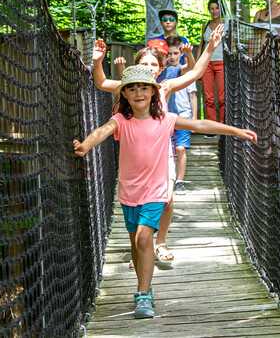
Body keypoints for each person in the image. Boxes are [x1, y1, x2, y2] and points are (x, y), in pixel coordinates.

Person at [74, 64, 257, 319]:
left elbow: (201, 124)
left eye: (144, 87)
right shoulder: (121, 120)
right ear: (125, 94)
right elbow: (102, 132)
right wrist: (84, 145)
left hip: (156, 192)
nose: (139, 92)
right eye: (132, 88)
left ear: (153, 91)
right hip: (129, 192)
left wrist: (235, 131)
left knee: (143, 239)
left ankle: (143, 295)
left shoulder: (166, 120)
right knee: (136, 246)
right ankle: (146, 287)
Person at [93, 24, 224, 264]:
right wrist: (98, 61)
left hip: (163, 154)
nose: (149, 69)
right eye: (144, 65)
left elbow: (194, 74)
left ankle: (159, 242)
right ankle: (143, 249)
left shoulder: (165, 87)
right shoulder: (128, 86)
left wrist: (211, 47)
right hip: (136, 159)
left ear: (161, 68)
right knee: (140, 202)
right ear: (136, 67)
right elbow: (101, 83)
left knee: (168, 199)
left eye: (154, 65)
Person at [165, 35, 197, 195]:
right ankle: (169, 178)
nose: (172, 57)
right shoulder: (163, 74)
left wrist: (195, 119)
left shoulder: (187, 73)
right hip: (167, 117)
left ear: (181, 54)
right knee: (169, 150)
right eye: (169, 54)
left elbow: (193, 96)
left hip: (183, 116)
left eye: (176, 53)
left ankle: (180, 181)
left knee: (181, 148)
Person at [196, 0, 225, 138]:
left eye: (217, 8)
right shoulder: (205, 25)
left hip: (222, 62)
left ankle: (223, 126)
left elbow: (231, 45)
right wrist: (196, 64)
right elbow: (202, 45)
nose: (214, 11)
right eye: (212, 8)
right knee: (208, 97)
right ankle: (211, 128)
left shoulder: (227, 24)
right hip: (207, 63)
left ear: (221, 9)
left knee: (222, 97)